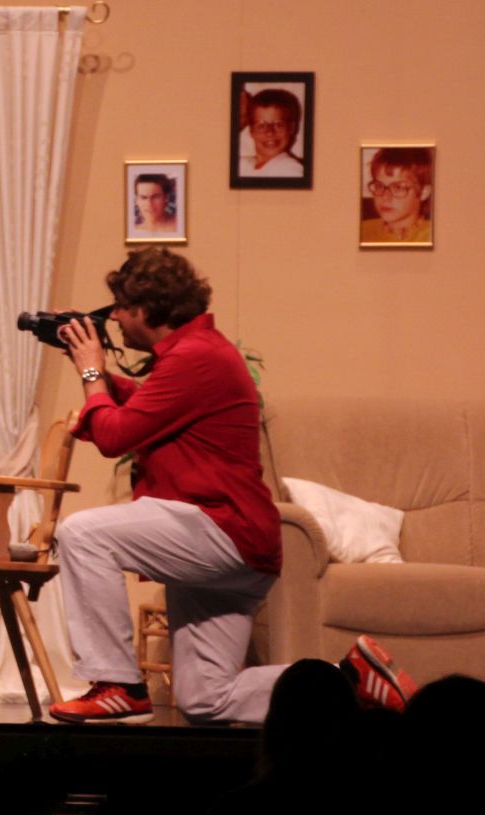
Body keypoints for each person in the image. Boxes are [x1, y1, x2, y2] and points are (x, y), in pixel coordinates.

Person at [47, 247, 417, 724]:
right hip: (237, 540)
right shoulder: (197, 354)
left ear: (148, 309)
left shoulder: (197, 357)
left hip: (220, 528)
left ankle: (117, 684)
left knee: (83, 534)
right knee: (208, 699)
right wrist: (92, 367)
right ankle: (347, 679)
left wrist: (92, 372)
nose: (114, 317)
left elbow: (115, 436)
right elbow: (149, 408)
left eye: (121, 306)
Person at [360, 146, 432, 243]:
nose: (385, 197)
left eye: (398, 187)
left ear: (424, 192)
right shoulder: (362, 230)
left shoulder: (431, 236)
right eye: (379, 186)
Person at [238, 88, 304, 178]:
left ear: (291, 128)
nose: (270, 132)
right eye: (261, 125)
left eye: (278, 125)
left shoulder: (290, 169)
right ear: (251, 130)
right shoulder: (242, 164)